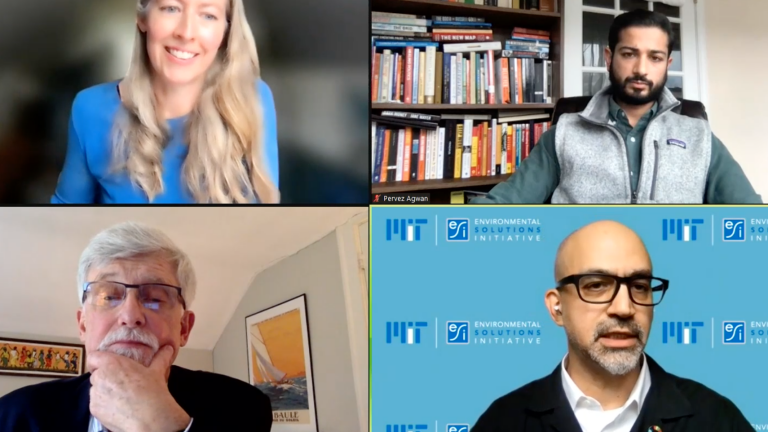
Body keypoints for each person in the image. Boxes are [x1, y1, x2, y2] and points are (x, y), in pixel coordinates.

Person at [471, 220, 752, 432]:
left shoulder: (716, 419)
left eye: (639, 286)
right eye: (596, 286)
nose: (624, 308)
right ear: (557, 307)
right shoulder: (503, 421)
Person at [0, 222, 273, 431]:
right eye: (108, 296)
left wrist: (164, 426)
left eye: (154, 298)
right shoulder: (14, 415)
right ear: (83, 325)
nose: (131, 315)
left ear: (184, 328)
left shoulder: (242, 407)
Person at [472, 10, 760, 204]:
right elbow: (504, 205)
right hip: (583, 278)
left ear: (667, 65)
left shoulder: (700, 136)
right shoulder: (563, 134)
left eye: (655, 57)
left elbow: (751, 217)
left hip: (672, 274)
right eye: (629, 54)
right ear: (609, 58)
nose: (641, 69)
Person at [51, 0, 280, 204]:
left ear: (225, 32)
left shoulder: (254, 99)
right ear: (142, 18)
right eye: (171, 8)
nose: (186, 32)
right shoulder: (89, 108)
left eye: (208, 15)